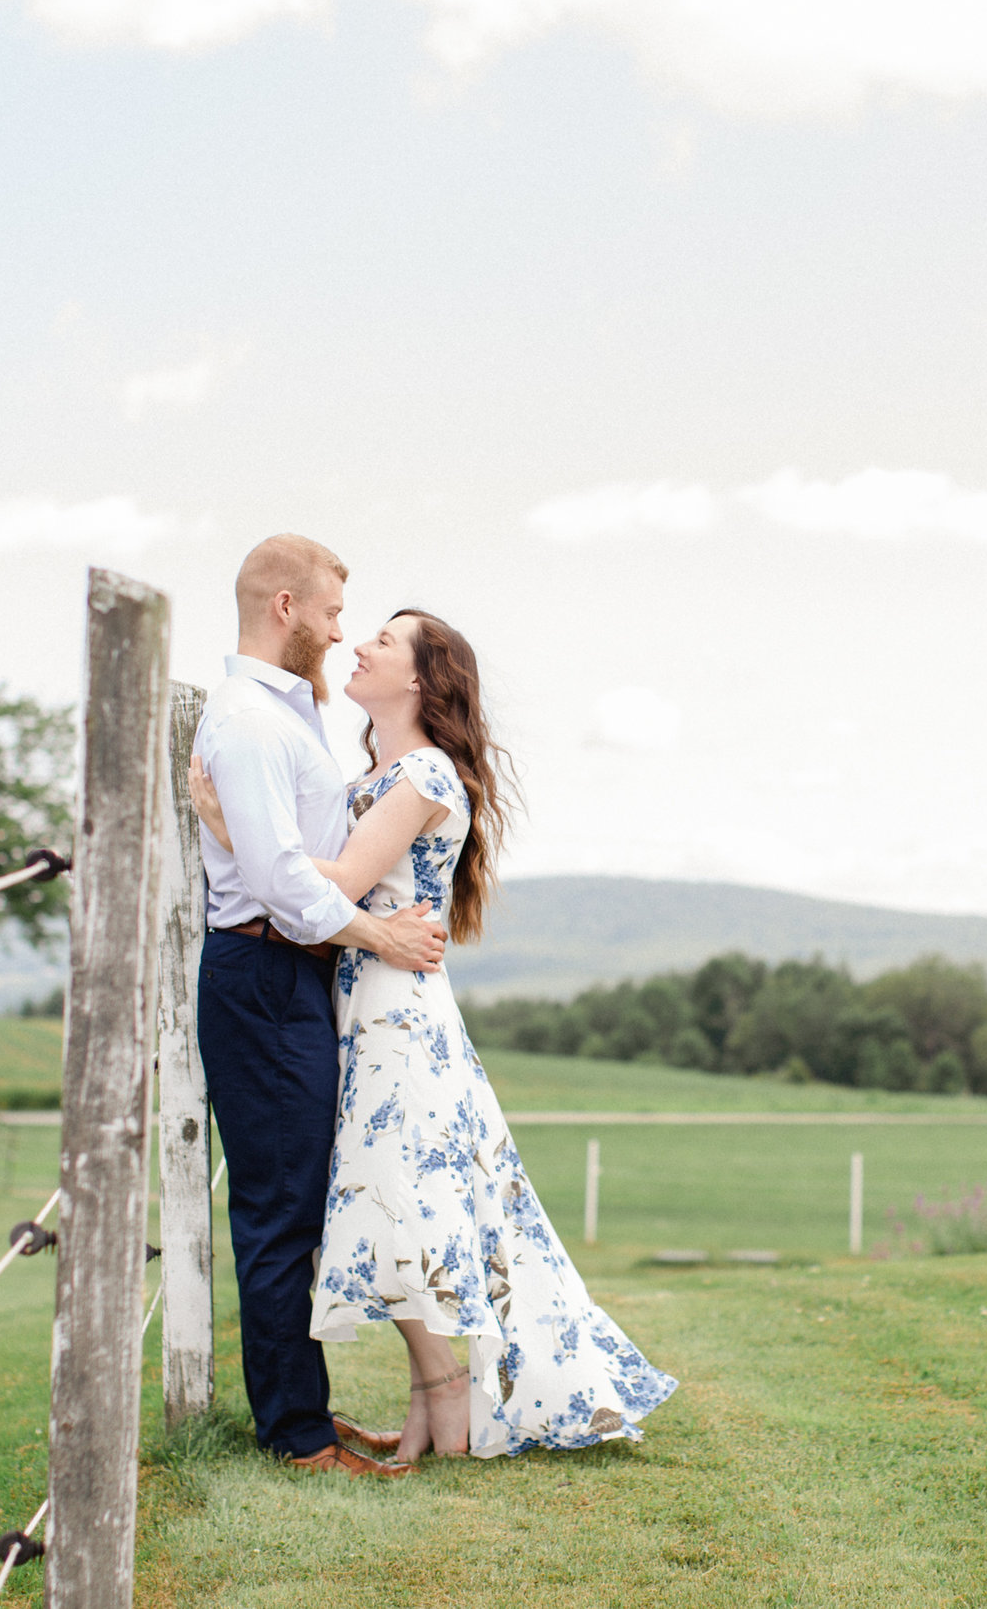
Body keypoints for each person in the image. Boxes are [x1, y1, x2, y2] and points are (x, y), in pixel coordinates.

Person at [193, 607, 677, 1462]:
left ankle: (446, 1394)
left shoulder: (423, 773)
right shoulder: (377, 771)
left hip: (391, 1009)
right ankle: (435, 1401)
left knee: (402, 1199)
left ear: (418, 678)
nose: (359, 644)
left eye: (383, 639)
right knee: (397, 1201)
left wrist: (229, 826)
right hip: (357, 991)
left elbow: (336, 879)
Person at [192, 535, 450, 1479]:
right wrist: (384, 938)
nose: (345, 632)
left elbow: (292, 861)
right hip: (262, 974)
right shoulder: (251, 723)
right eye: (337, 613)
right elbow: (279, 883)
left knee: (296, 1201)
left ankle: (308, 1413)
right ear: (288, 607)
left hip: (290, 972)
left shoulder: (288, 719)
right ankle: (296, 1437)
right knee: (277, 1210)